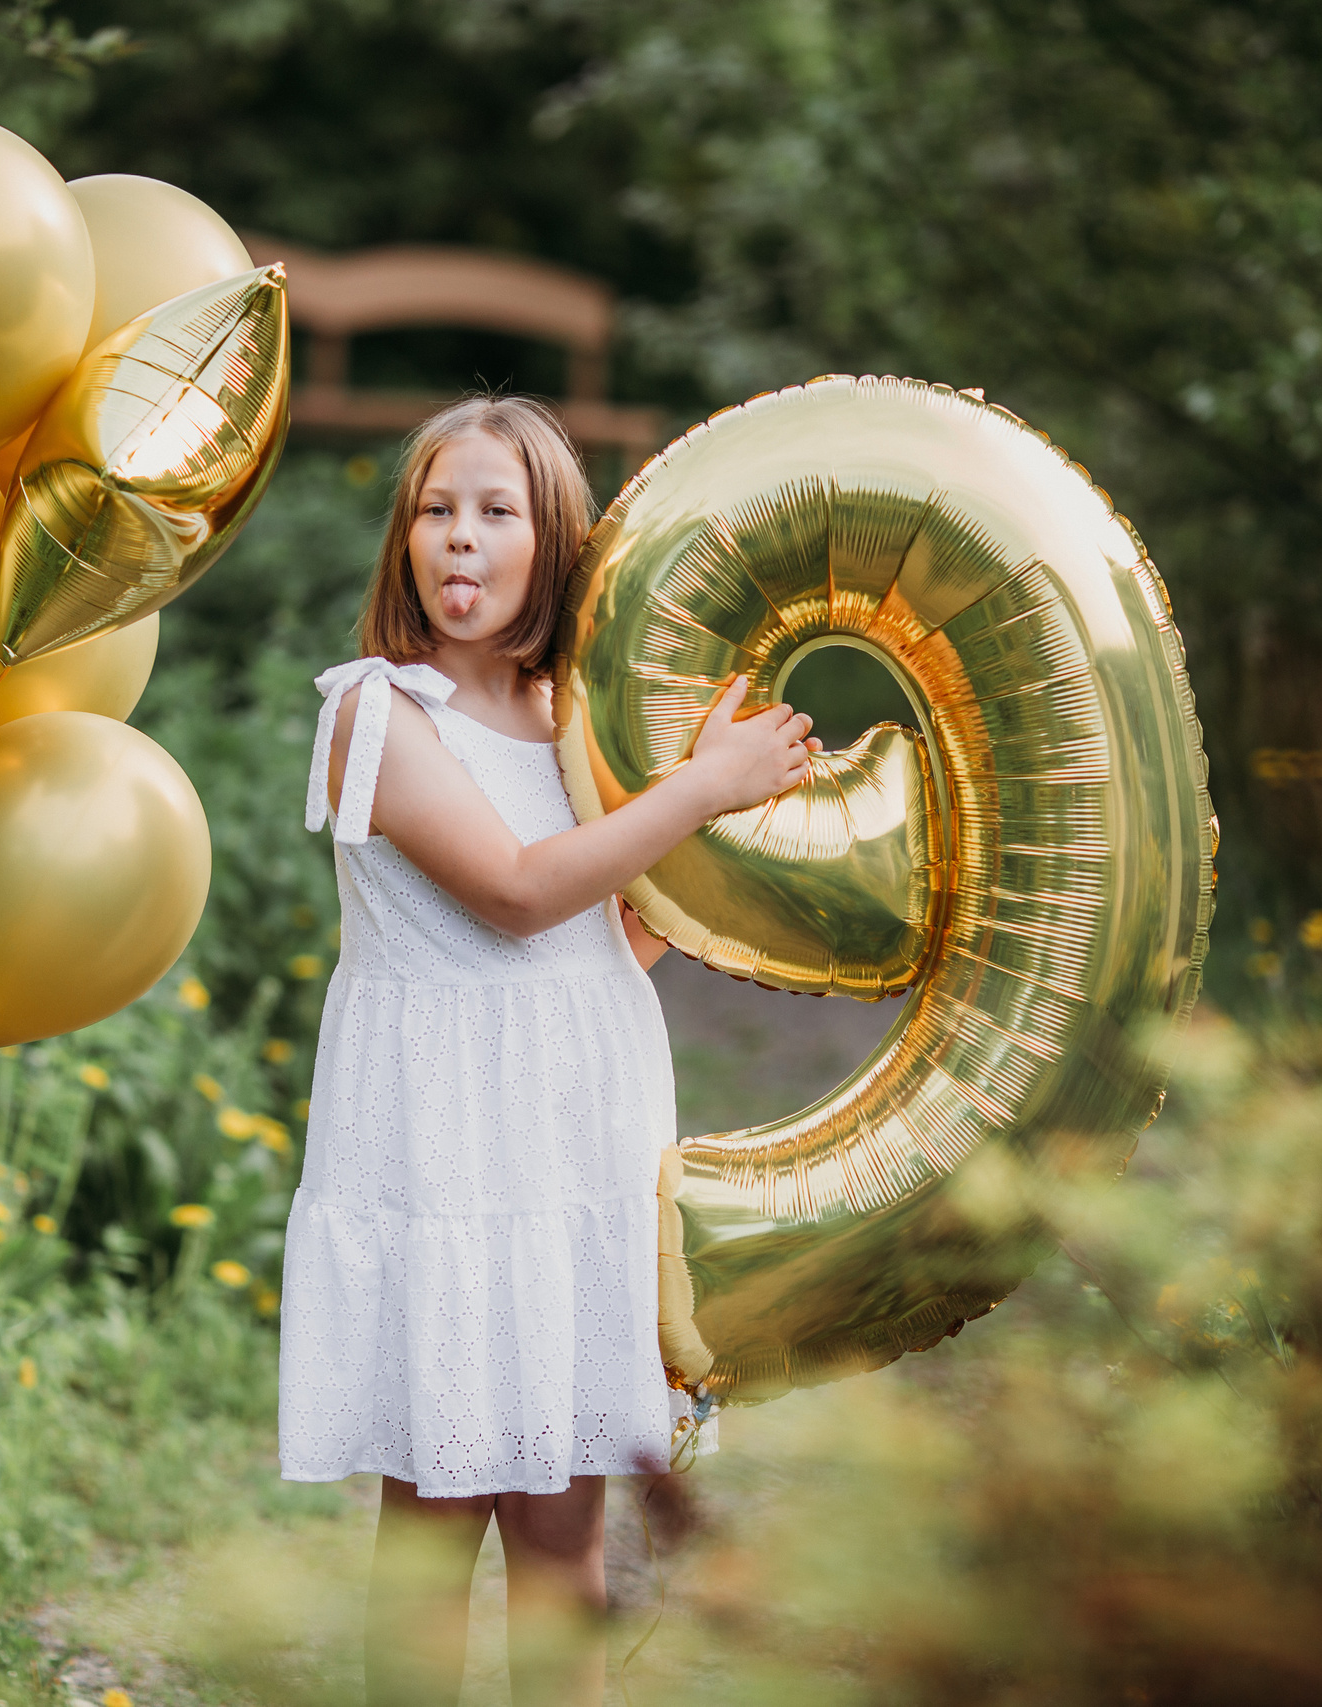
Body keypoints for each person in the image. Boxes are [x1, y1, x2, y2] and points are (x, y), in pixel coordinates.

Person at [280, 395, 818, 1706]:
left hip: (575, 1134)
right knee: (434, 1512)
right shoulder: (377, 710)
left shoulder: (576, 719)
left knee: (566, 1529)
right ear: (406, 540)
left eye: (495, 512)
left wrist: (698, 827)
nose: (459, 540)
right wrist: (701, 788)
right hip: (447, 1146)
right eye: (435, 510)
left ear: (554, 542)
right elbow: (518, 893)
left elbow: (593, 947)